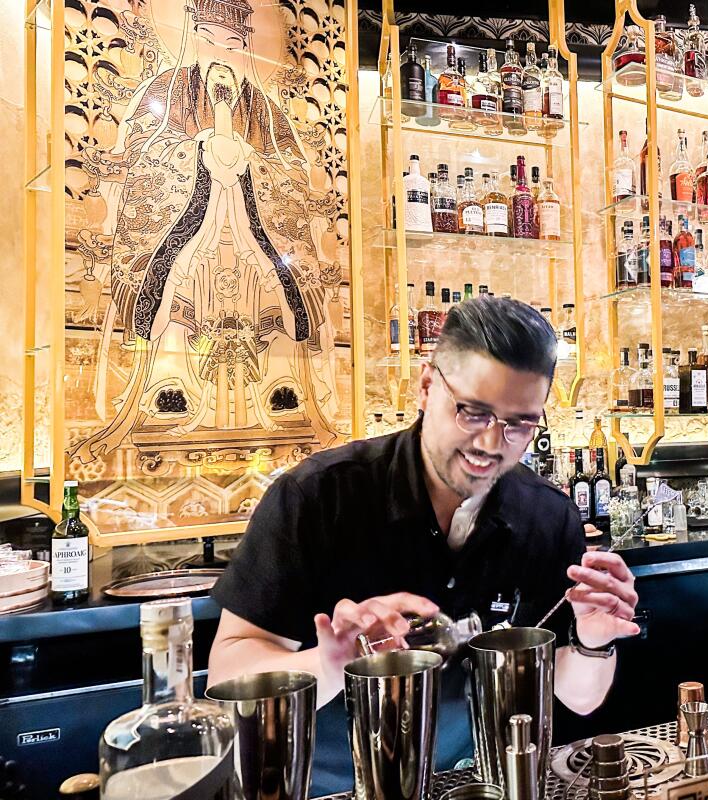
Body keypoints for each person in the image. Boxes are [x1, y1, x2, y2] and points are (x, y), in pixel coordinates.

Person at [208, 296, 639, 793]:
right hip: (330, 788)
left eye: (519, 423)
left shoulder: (546, 515)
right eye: (473, 412)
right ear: (427, 386)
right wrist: (330, 664)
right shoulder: (318, 497)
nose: (491, 444)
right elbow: (226, 676)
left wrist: (592, 640)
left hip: (475, 783)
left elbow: (578, 697)